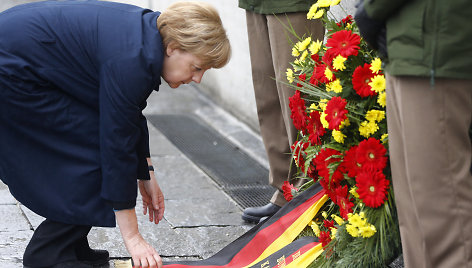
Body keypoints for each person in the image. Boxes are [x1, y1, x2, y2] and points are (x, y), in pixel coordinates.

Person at [0, 1, 230, 267]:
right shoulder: (133, 58)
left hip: (20, 59)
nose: (197, 79)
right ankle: (49, 254)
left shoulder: (148, 37)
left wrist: (147, 174)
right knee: (94, 148)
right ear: (173, 48)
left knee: (96, 140)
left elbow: (129, 112)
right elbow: (116, 141)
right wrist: (133, 238)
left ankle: (71, 245)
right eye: (197, 67)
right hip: (11, 72)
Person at [355, 0, 472, 267]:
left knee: (441, 209)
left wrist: (371, 10)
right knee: (415, 210)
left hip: (434, 46)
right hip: (408, 45)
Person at [238, 0, 324, 223]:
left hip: (293, 3)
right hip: (256, 3)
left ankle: (306, 194)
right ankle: (284, 192)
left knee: (297, 97)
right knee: (268, 94)